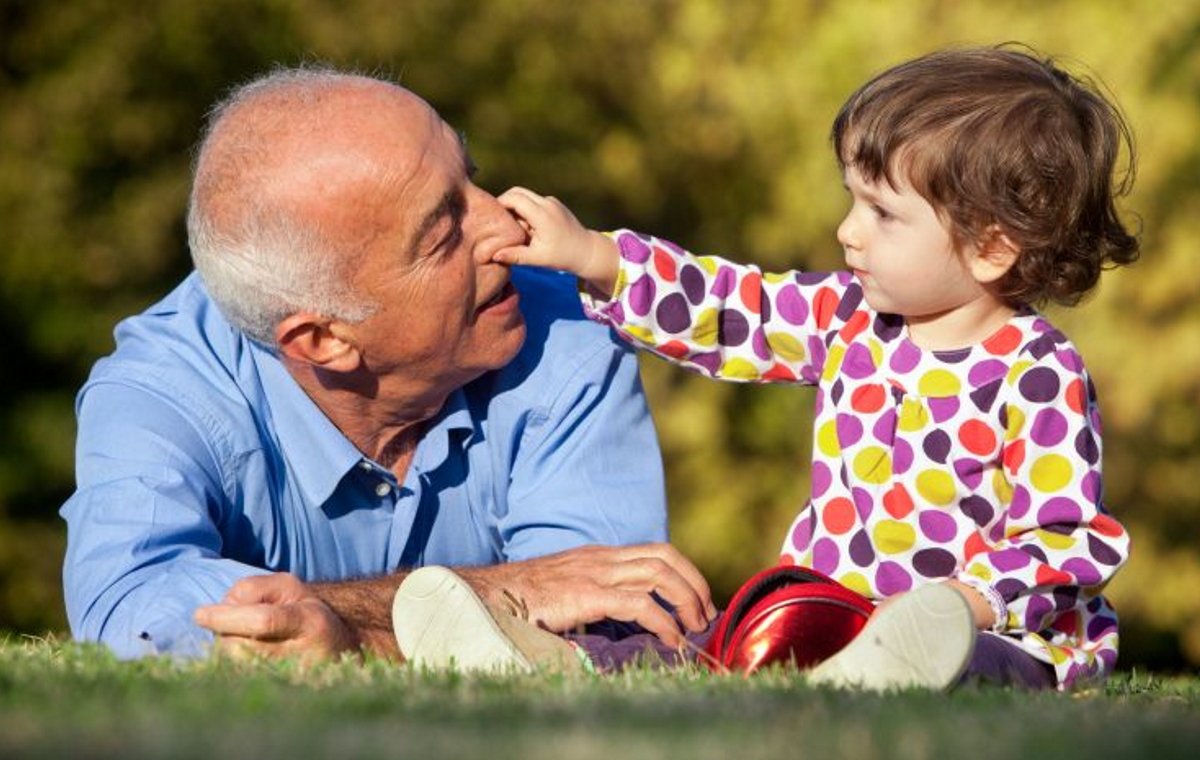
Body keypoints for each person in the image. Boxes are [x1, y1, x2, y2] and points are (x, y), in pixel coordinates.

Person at [481, 45, 1137, 690]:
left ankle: (908, 662)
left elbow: (1065, 537)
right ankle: (546, 656)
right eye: (852, 199)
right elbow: (735, 308)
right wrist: (598, 257)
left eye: (883, 212)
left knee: (979, 665)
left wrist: (972, 602)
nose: (849, 230)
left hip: (997, 632)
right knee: (714, 641)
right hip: (832, 615)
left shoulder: (1038, 370)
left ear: (991, 247)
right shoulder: (847, 318)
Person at [59, 67, 715, 662]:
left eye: (472, 176)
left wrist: (348, 629)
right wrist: (493, 595)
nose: (510, 229)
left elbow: (607, 630)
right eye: (443, 233)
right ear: (323, 339)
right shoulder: (163, 389)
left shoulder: (567, 325)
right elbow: (134, 616)